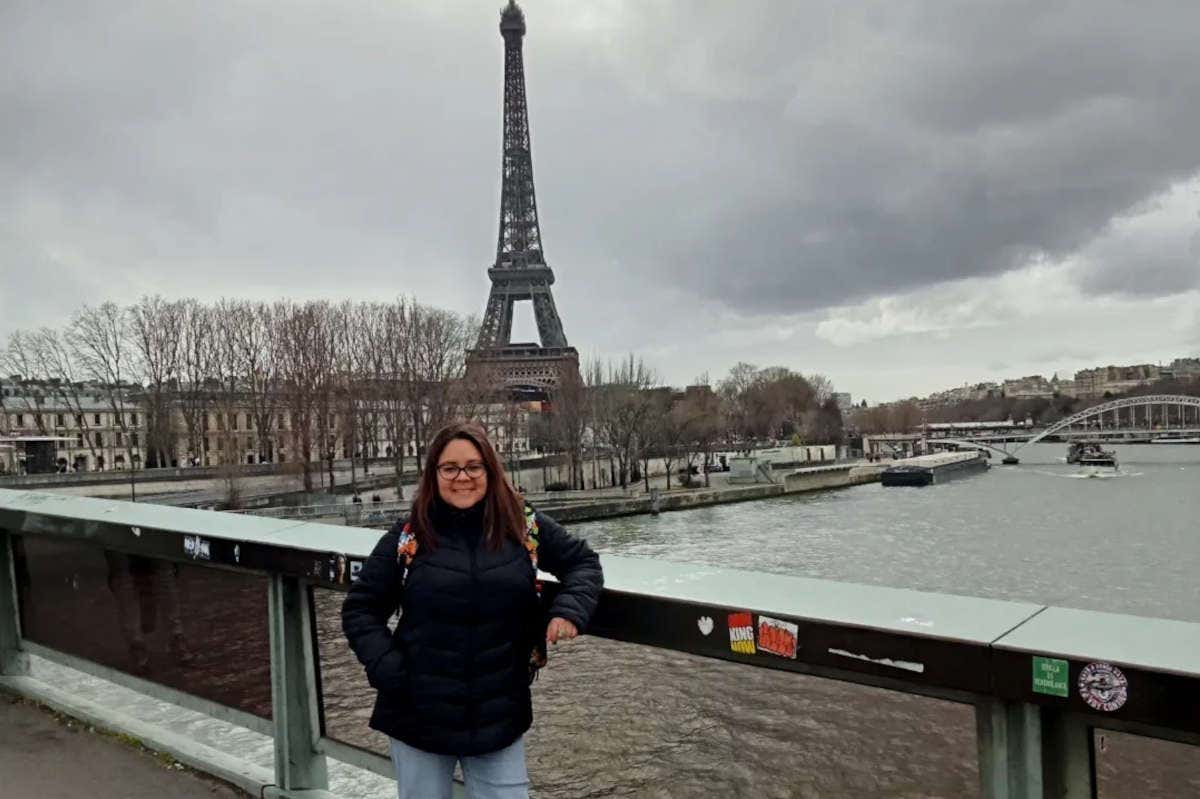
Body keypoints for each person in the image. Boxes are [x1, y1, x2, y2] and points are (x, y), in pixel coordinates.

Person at [342, 421, 603, 799]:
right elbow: (360, 609)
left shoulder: (522, 523)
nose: (462, 477)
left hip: (499, 713)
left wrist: (567, 611)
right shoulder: (408, 535)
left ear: (489, 470)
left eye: (473, 467)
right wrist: (392, 672)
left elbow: (583, 563)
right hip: (418, 713)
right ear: (434, 474)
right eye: (450, 468)